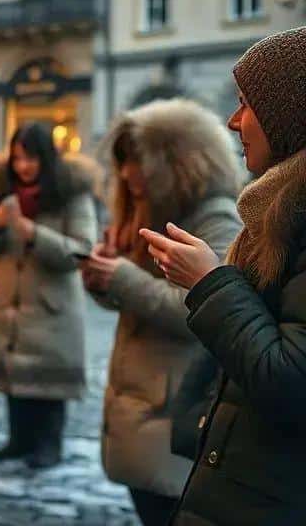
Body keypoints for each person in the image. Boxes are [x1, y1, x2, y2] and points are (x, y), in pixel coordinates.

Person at [140, 26, 306, 525]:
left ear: (288, 114)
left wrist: (208, 282)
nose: (233, 122)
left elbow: (290, 380)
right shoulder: (274, 210)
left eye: (246, 104)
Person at [79, 99, 242, 525]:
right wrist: (103, 276)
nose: (128, 174)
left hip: (173, 413)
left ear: (176, 162)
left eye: (137, 161)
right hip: (144, 404)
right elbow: (131, 301)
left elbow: (204, 309)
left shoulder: (216, 218)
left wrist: (120, 279)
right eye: (123, 162)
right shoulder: (154, 211)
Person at [0, 123, 97, 469]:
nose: (24, 166)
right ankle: (18, 440)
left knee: (47, 382)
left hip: (49, 306)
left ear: (46, 158)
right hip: (7, 301)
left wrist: (34, 235)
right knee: (14, 375)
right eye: (17, 158)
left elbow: (81, 251)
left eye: (31, 158)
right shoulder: (4, 190)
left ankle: (48, 445)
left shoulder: (71, 193)